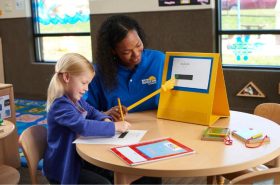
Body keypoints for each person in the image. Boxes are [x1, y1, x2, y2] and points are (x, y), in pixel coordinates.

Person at [43, 53, 131, 184]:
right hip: (64, 167)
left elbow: (92, 111)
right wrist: (114, 126)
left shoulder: (75, 100)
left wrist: (104, 119)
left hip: (77, 158)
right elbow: (83, 126)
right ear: (67, 77)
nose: (86, 88)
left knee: (114, 172)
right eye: (84, 83)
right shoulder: (60, 106)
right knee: (105, 183)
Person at [87, 14, 165, 121]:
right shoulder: (98, 74)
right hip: (119, 131)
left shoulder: (159, 60)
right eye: (126, 52)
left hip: (159, 126)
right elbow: (84, 112)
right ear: (113, 51)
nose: (136, 54)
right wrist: (104, 114)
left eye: (138, 45)